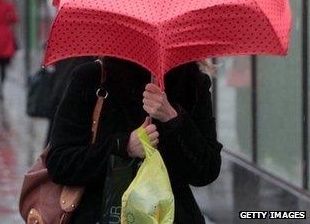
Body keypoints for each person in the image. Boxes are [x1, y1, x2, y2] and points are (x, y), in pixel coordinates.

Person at [46, 58, 223, 223]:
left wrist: (172, 118)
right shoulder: (92, 78)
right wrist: (124, 146)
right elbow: (59, 163)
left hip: (170, 216)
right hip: (102, 214)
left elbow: (206, 171)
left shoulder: (193, 82)